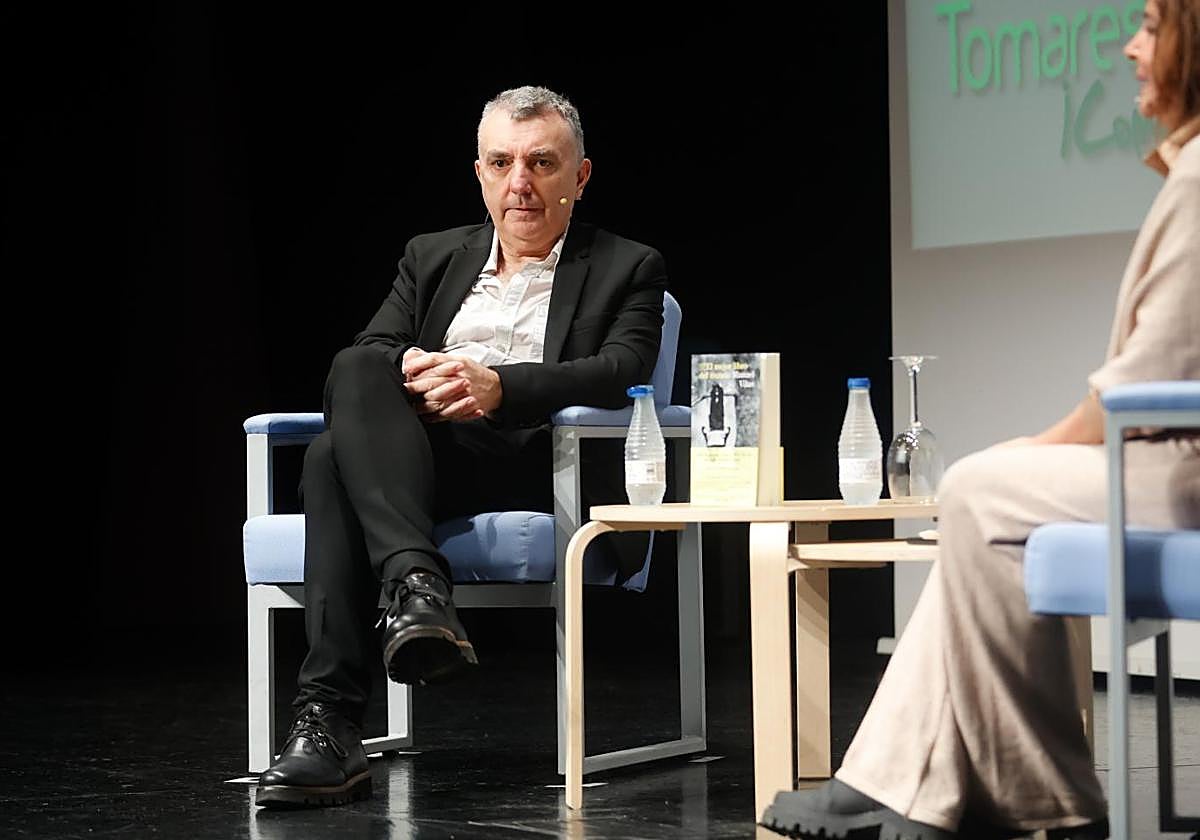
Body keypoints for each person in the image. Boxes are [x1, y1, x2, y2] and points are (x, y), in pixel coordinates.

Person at [762, 2, 1200, 838]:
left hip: (1179, 471)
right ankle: (891, 779)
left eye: (1149, 25)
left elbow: (1150, 378)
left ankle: (1050, 803)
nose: (1131, 46)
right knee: (986, 496)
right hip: (1171, 459)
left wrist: (1032, 447)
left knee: (983, 486)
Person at [254, 86, 668, 808]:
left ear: (581, 175)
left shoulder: (627, 266)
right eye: (501, 163)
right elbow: (374, 346)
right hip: (427, 460)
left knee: (329, 463)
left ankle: (329, 721)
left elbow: (621, 370)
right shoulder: (433, 255)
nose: (520, 184)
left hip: (542, 462)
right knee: (358, 373)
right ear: (479, 172)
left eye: (541, 163)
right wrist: (415, 368)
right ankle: (416, 593)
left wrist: (498, 387)